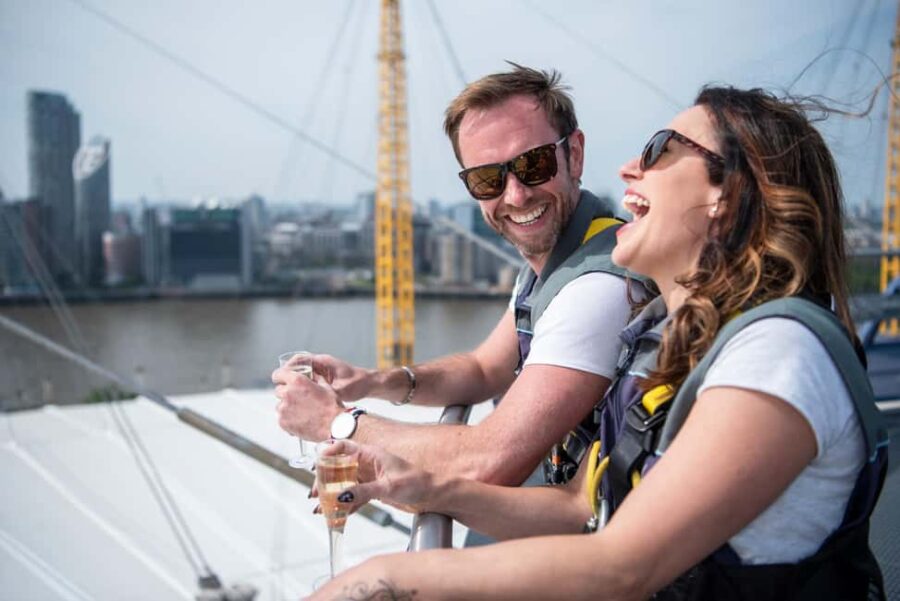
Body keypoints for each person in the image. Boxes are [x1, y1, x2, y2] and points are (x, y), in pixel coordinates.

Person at [307, 86, 888, 600]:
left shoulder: (778, 355)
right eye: (487, 179)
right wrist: (422, 486)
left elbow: (622, 568)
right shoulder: (670, 338)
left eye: (660, 150)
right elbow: (579, 507)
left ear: (726, 196)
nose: (630, 168)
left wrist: (380, 577)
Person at [273, 63, 645, 488]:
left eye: (534, 163)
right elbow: (484, 369)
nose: (516, 195)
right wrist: (373, 382)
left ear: (573, 154)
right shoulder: (556, 262)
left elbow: (489, 460)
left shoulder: (597, 286)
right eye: (487, 179)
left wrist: (335, 422)